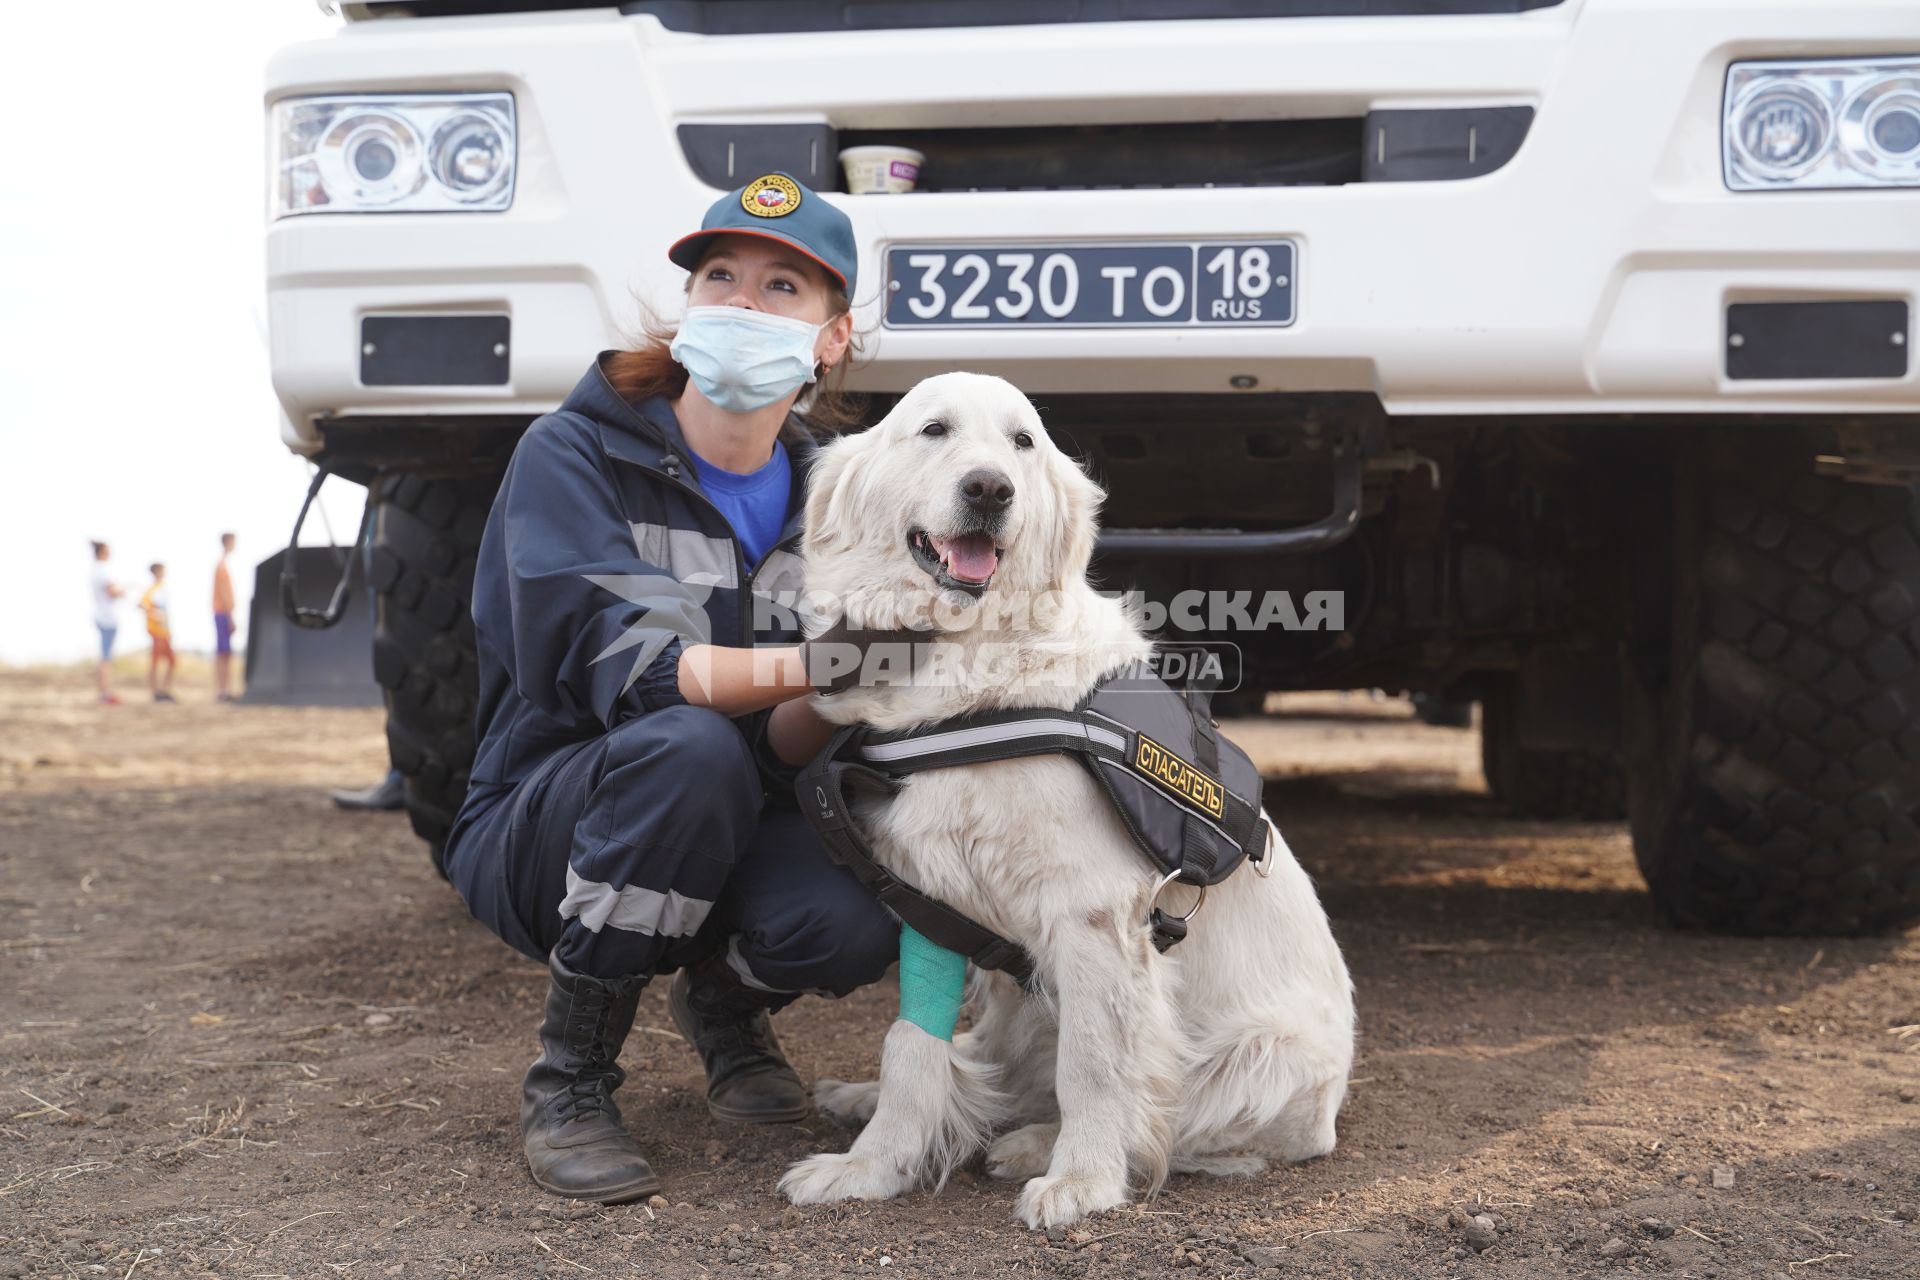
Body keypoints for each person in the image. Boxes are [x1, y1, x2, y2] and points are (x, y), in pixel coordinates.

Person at [441, 173, 898, 1204]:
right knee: (686, 744)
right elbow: (653, 676)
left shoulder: (840, 503)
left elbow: (785, 744)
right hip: (548, 821)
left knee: (860, 905)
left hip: (722, 814)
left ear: (832, 338)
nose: (741, 303)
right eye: (720, 276)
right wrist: (844, 660)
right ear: (687, 306)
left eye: (783, 287)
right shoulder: (576, 455)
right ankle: (569, 1078)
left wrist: (872, 677)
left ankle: (726, 1005)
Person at [89, 541, 125, 705]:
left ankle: (103, 691)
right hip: (107, 617)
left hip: (101, 615)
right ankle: (105, 692)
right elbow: (113, 591)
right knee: (106, 657)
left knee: (104, 656)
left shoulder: (95, 570)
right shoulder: (103, 571)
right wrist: (124, 590)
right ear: (103, 552)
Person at [139, 563, 177, 704]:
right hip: (156, 631)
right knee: (155, 662)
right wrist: (155, 615)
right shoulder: (152, 590)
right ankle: (156, 692)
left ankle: (163, 690)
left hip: (164, 632)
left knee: (172, 661)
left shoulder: (161, 589)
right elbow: (142, 605)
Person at [213, 532, 239, 701]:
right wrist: (230, 617)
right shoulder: (221, 567)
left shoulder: (223, 565)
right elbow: (223, 594)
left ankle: (225, 689)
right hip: (222, 613)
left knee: (226, 652)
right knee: (223, 653)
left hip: (223, 613)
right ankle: (223, 690)